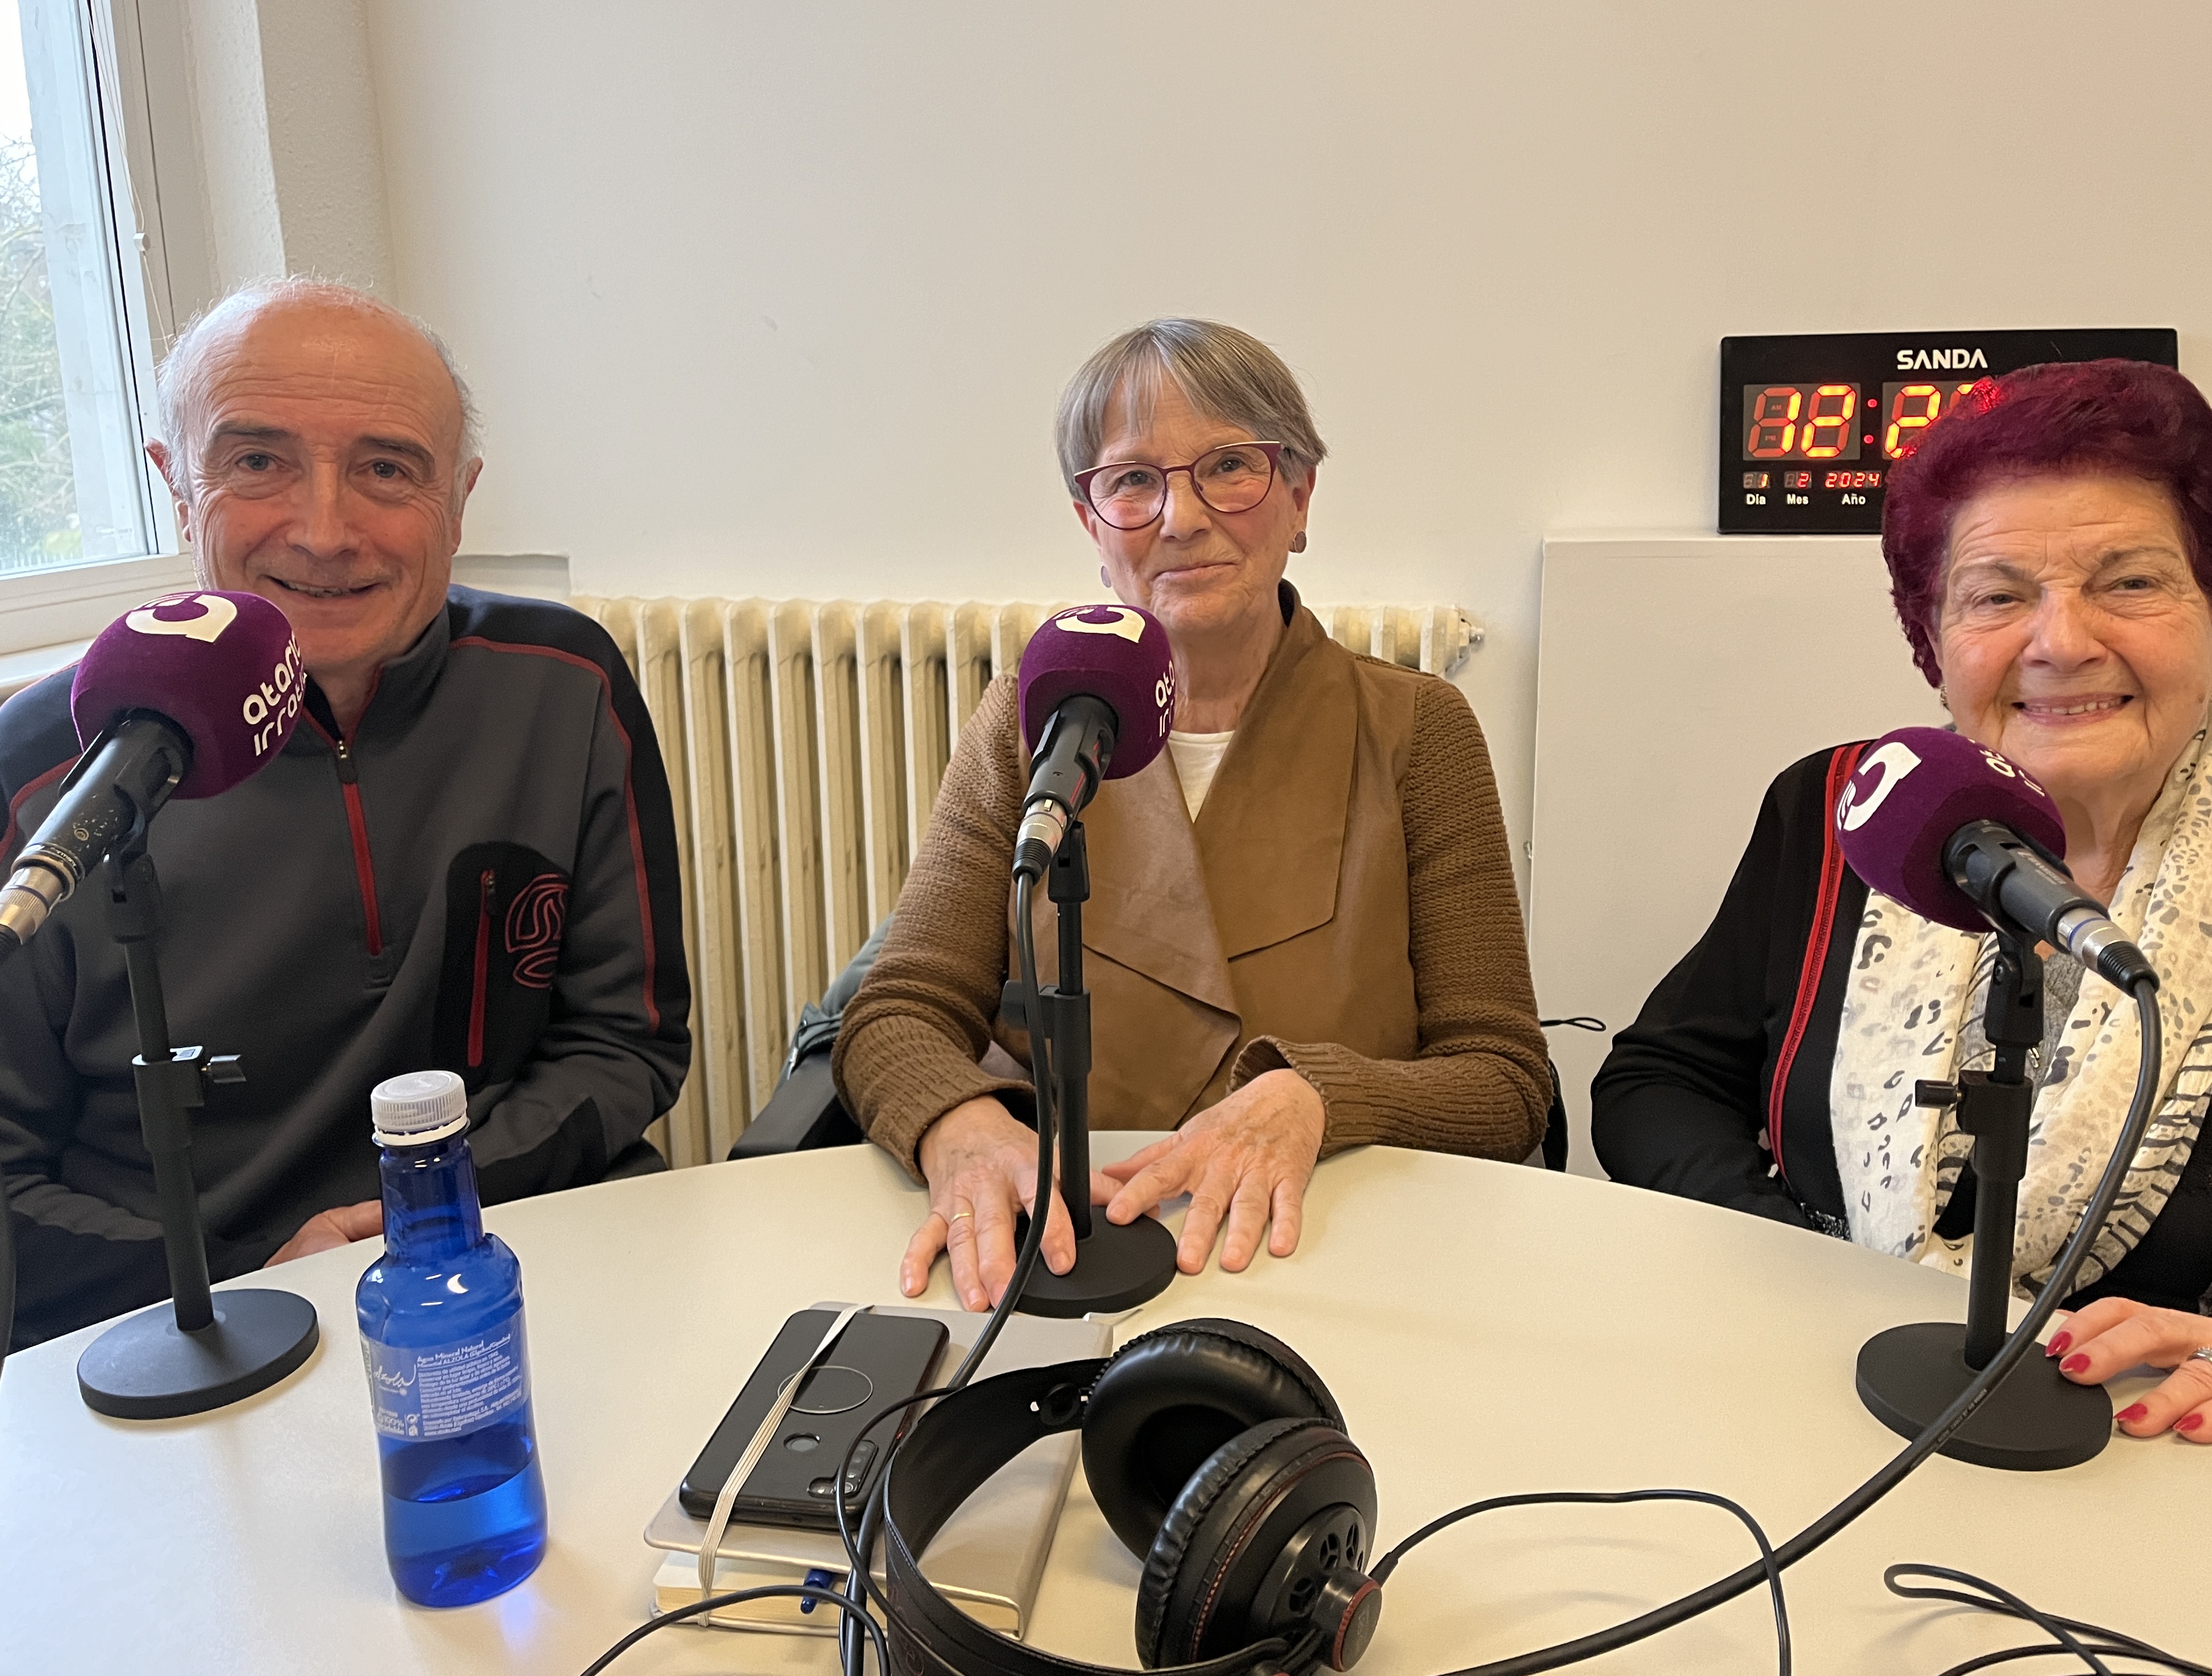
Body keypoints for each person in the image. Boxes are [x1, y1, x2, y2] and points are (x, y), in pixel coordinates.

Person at [1593, 359, 2212, 1441]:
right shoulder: (1843, 811)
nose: (2061, 642)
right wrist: (1804, 1272)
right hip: (1828, 1407)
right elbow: (1661, 1084)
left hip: (2183, 1468)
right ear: (1934, 644)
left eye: (2129, 583)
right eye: (1997, 595)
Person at [0, 278, 690, 1349]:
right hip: (174, 1325)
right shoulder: (44, 769)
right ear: (176, 485)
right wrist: (246, 1281)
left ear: (459, 500)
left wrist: (425, 1215)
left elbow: (626, 1039)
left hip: (498, 1248)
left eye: (386, 468)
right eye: (257, 461)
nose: (325, 532)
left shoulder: (568, 684)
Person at [837, 319, 1547, 1313]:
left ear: (1300, 497)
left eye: (1228, 467)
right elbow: (897, 1011)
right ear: (1092, 524)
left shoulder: (1419, 731)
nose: (1180, 517)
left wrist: (1317, 1095)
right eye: (1133, 481)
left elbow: (1506, 1082)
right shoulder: (1028, 726)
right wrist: (959, 1125)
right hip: (1072, 1250)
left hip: (1335, 1258)